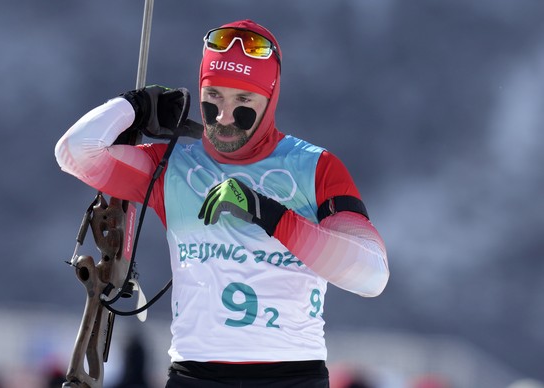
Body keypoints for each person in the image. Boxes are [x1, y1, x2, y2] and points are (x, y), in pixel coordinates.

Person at [55, 19, 389, 388]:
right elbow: (74, 152)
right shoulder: (173, 166)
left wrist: (269, 215)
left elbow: (370, 275)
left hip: (291, 374)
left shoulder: (314, 166)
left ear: (271, 96)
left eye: (243, 101)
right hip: (195, 373)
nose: (225, 117)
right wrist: (134, 105)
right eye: (213, 98)